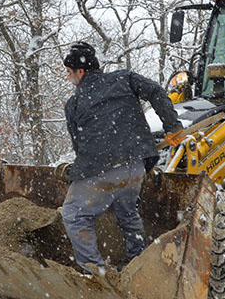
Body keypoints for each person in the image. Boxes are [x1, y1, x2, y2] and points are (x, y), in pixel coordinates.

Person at [58, 41, 184, 274]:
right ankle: (138, 264)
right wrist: (173, 126)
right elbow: (156, 91)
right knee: (127, 213)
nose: (69, 79)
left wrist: (82, 176)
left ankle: (95, 273)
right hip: (135, 167)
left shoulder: (74, 104)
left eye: (69, 73)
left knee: (73, 216)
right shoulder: (124, 78)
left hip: (101, 171)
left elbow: (79, 145)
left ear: (81, 71)